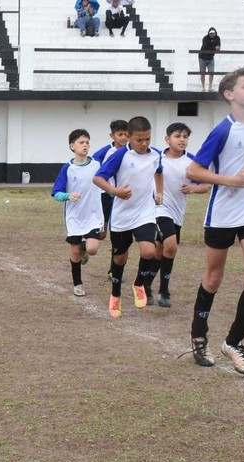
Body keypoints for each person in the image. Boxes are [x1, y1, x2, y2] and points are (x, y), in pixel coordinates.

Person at [185, 67, 244, 375]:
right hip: (223, 214)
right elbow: (194, 171)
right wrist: (231, 180)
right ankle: (199, 336)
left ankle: (234, 342)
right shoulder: (222, 130)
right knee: (213, 279)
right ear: (230, 94)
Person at [93, 116, 163, 318]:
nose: (144, 144)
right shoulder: (120, 156)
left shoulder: (156, 154)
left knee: (149, 251)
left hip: (144, 212)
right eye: (139, 139)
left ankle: (139, 283)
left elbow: (159, 172)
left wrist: (160, 192)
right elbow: (98, 178)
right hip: (122, 215)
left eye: (147, 139)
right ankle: (115, 295)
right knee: (120, 258)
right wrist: (114, 191)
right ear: (129, 137)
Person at [145, 123, 209, 307]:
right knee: (171, 247)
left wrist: (194, 188)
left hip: (177, 213)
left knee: (160, 250)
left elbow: (205, 186)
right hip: (158, 209)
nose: (182, 140)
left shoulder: (192, 162)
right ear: (167, 139)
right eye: (177, 136)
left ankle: (146, 284)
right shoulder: (157, 159)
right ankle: (164, 290)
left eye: (185, 137)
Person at [52, 129, 103, 297]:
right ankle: (78, 283)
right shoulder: (68, 168)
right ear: (72, 146)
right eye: (81, 142)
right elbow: (56, 193)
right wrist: (68, 195)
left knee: (93, 248)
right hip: (74, 217)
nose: (85, 145)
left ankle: (85, 248)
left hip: (93, 215)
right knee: (74, 253)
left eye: (87, 142)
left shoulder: (97, 165)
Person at [92, 119, 129, 242]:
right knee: (102, 234)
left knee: (120, 229)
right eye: (120, 134)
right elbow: (95, 173)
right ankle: (84, 243)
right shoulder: (103, 153)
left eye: (126, 134)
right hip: (106, 195)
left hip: (124, 194)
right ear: (112, 136)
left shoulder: (133, 151)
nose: (124, 138)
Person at [199, 27, 222, 92]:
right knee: (202, 73)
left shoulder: (217, 38)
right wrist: (215, 47)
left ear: (215, 33)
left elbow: (218, 47)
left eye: (213, 33)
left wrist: (217, 48)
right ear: (208, 33)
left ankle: (210, 87)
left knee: (211, 72)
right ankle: (203, 87)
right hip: (202, 58)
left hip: (211, 58)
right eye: (210, 33)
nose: (212, 34)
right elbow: (206, 46)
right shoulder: (205, 38)